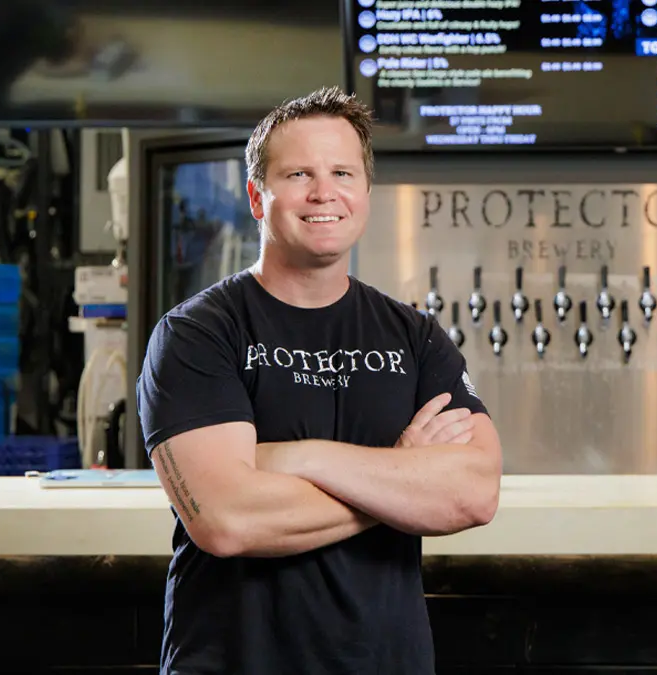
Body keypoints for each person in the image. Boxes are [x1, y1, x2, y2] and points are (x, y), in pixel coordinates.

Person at [137, 86, 502, 675]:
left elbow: (475, 492)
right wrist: (400, 475)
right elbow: (227, 520)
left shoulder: (414, 336)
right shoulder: (197, 334)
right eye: (299, 173)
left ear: (364, 192)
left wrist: (291, 458)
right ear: (258, 198)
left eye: (342, 172)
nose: (323, 192)